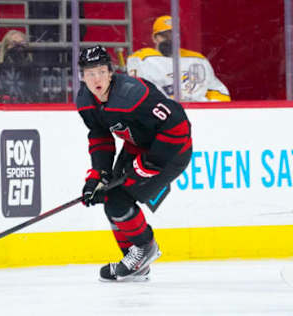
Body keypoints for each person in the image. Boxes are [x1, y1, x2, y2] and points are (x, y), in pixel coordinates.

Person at [77, 45, 192, 281]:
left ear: (110, 72)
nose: (96, 78)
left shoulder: (132, 94)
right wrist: (98, 175)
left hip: (171, 151)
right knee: (109, 197)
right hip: (137, 148)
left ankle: (146, 248)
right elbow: (100, 136)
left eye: (100, 71)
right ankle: (136, 262)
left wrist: (149, 165)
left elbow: (178, 124)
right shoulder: (85, 100)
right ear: (82, 77)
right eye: (90, 73)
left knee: (119, 200)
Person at [127, 15, 230, 102]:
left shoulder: (198, 59)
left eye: (173, 35)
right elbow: (141, 94)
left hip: (198, 113)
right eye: (164, 36)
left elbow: (217, 91)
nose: (170, 39)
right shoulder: (142, 59)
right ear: (154, 38)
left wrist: (210, 110)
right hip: (164, 115)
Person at [0, 30, 39, 103]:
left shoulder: (33, 67)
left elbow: (35, 91)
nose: (19, 47)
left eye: (22, 43)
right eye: (14, 44)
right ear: (6, 47)